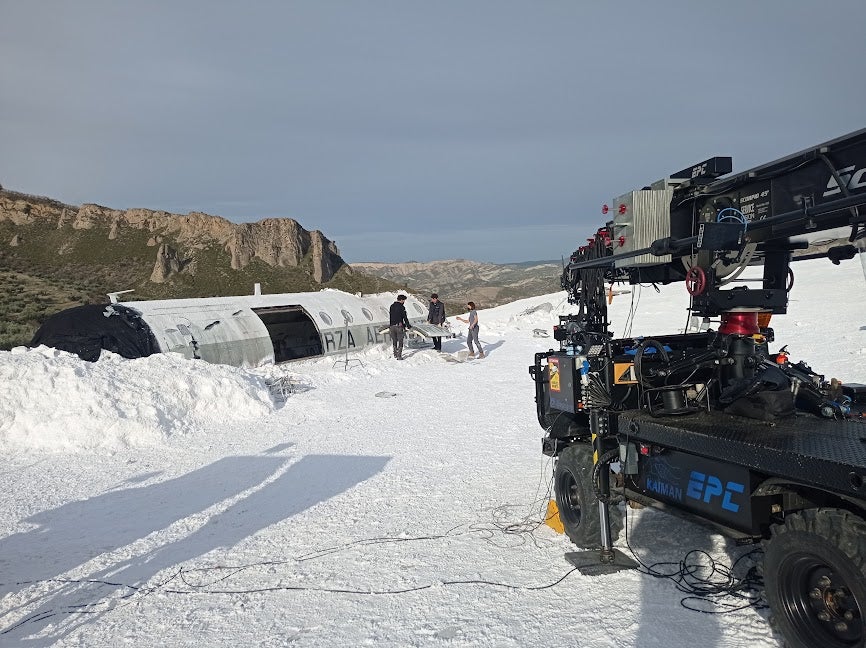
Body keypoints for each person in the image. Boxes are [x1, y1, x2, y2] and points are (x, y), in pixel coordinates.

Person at [388, 294, 411, 360]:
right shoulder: (401, 307)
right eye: (404, 300)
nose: (404, 302)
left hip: (392, 326)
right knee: (400, 340)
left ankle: (395, 353)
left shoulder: (391, 306)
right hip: (399, 326)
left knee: (394, 340)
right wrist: (408, 325)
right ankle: (399, 356)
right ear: (401, 300)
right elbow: (404, 317)